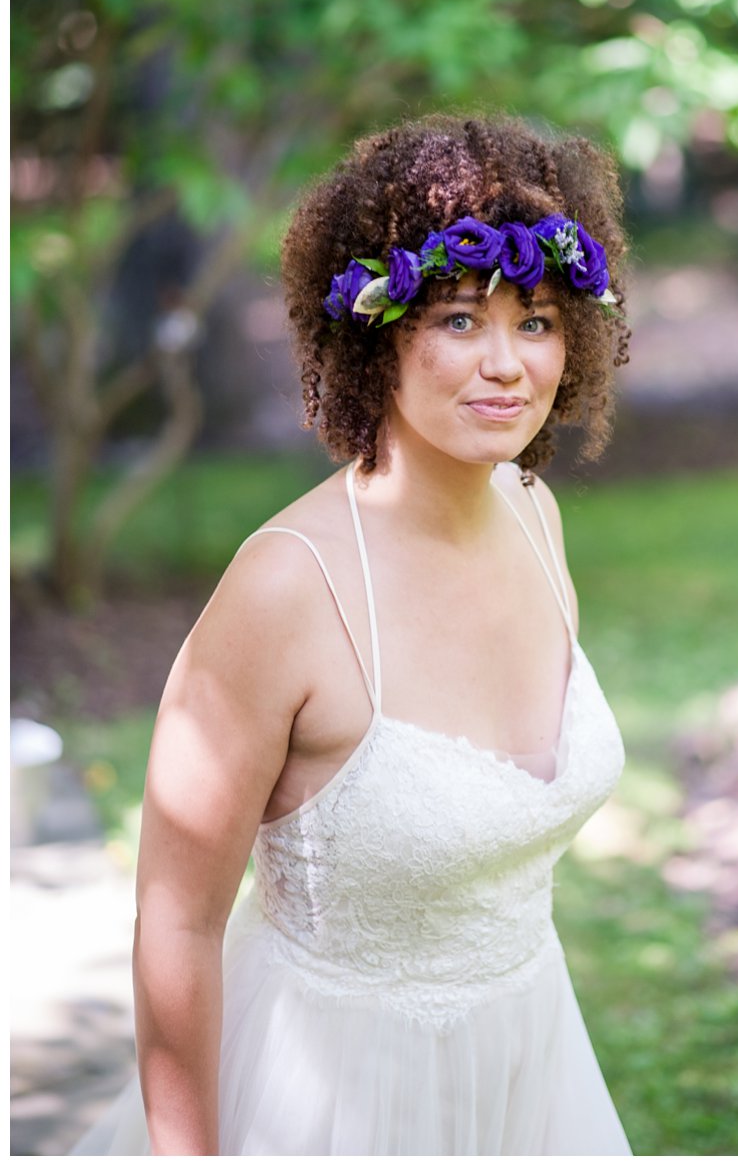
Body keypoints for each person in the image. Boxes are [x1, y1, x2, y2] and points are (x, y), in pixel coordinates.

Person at [73, 114, 632, 1156]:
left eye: (539, 320)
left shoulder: (534, 515)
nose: (506, 363)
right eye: (460, 320)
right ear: (376, 329)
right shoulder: (287, 587)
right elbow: (178, 924)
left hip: (531, 1064)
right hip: (331, 1105)